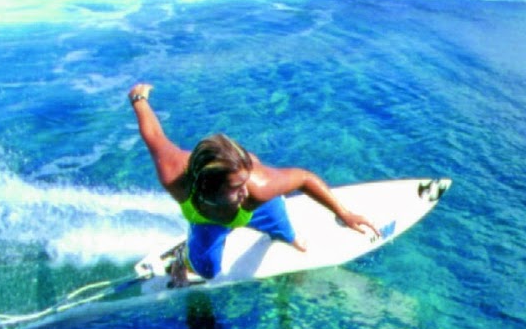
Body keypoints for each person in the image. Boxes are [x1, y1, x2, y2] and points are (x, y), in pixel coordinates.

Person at [128, 83, 377, 284]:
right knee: (206, 271)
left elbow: (304, 178)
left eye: (245, 180)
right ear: (209, 188)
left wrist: (344, 212)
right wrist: (138, 98)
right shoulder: (176, 177)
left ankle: (284, 235)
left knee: (284, 231)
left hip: (256, 210)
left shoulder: (258, 188)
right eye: (236, 186)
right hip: (206, 222)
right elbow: (153, 135)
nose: (246, 190)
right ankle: (183, 257)